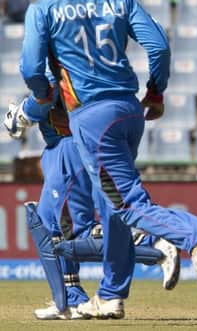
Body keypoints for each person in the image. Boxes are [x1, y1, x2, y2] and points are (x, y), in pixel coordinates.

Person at [19, 0, 197, 319]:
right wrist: (156, 92)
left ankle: (196, 236)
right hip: (130, 112)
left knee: (127, 204)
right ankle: (111, 295)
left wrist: (43, 96)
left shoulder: (43, 6)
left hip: (91, 118)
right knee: (113, 207)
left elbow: (30, 68)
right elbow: (159, 46)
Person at [4, 92, 180, 320]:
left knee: (67, 228)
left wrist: (21, 114)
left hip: (67, 146)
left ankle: (152, 246)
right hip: (60, 146)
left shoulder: (54, 60)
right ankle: (72, 298)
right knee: (59, 227)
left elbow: (46, 93)